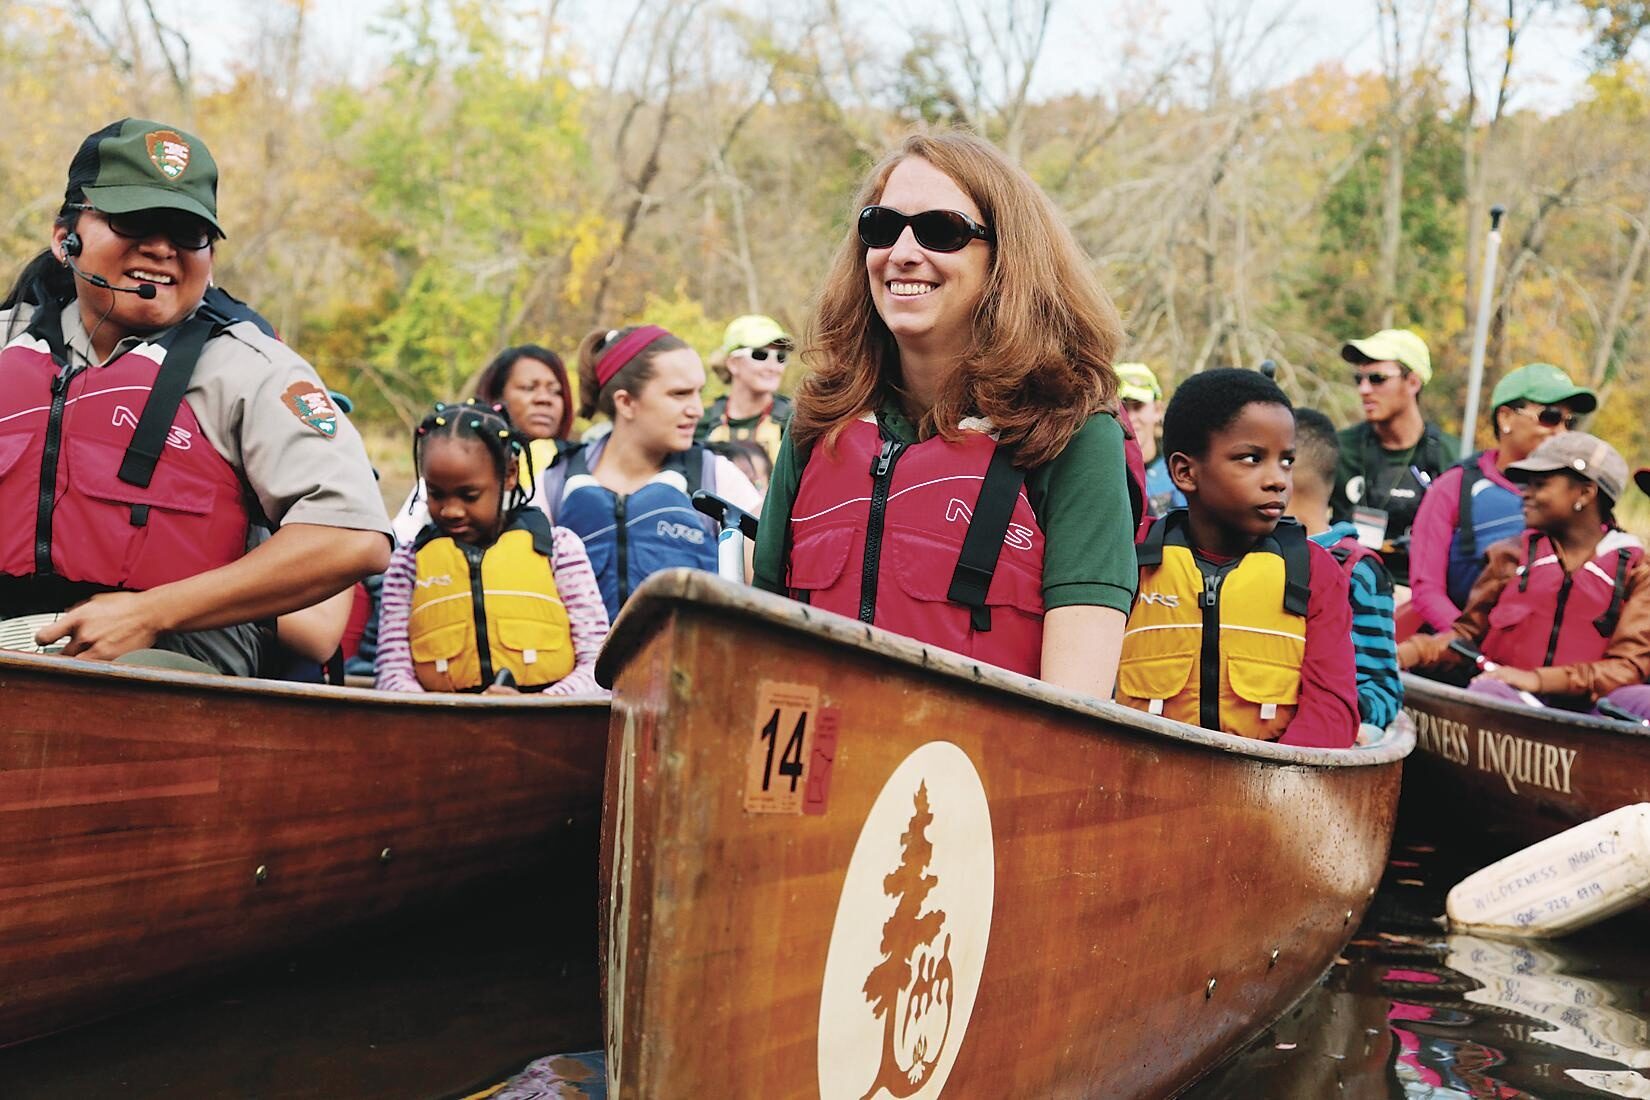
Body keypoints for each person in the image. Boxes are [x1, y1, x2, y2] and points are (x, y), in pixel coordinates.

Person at [751, 131, 1144, 696]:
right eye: (881, 228)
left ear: (1007, 259)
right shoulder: (818, 423)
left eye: (942, 231)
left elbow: (1075, 716)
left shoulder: (1074, 432)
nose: (903, 253)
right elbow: (759, 652)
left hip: (977, 780)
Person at [0, 117, 389, 674]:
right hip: (13, 643)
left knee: (130, 687)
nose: (160, 249)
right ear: (66, 237)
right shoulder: (8, 345)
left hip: (173, 653)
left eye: (188, 234)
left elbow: (352, 536)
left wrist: (152, 612)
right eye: (133, 220)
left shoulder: (254, 369)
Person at [1117, 370, 1359, 748]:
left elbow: (1332, 710)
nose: (1278, 480)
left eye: (1287, 461)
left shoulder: (1315, 573)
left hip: (1266, 794)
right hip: (1142, 787)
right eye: (1252, 458)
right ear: (1185, 472)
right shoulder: (1131, 556)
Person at [1398, 433, 1650, 710]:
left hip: (1590, 715)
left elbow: (1628, 668)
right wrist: (1408, 652)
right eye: (1526, 484)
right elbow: (1466, 636)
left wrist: (1539, 680)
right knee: (1489, 690)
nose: (1524, 493)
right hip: (1507, 700)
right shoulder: (1510, 555)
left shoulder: (1636, 571)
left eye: (1540, 485)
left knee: (1641, 701)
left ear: (1585, 493)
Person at [375, 401, 607, 695]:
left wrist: (537, 703)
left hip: (547, 724)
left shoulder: (560, 549)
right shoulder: (407, 562)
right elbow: (391, 672)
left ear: (510, 474)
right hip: (440, 728)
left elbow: (595, 668)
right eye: (436, 494)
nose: (451, 510)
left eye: (469, 495)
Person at [539, 324, 763, 620]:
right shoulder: (555, 482)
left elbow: (763, 596)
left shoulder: (718, 477)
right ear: (626, 402)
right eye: (679, 394)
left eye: (698, 393)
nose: (697, 409)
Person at [1406, 362, 1595, 633]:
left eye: (1570, 422)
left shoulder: (1580, 496)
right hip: (1460, 654)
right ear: (1505, 418)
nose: (1561, 432)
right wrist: (1472, 647)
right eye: (1550, 416)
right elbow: (1426, 589)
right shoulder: (1455, 486)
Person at [1288, 408, 1403, 731]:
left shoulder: (1357, 571)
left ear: (1284, 470)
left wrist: (1332, 708)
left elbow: (1383, 692)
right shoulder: (1245, 556)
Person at [393, 344, 575, 544]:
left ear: (511, 475)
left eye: (555, 391)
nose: (544, 399)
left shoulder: (577, 474)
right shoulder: (444, 474)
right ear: (496, 397)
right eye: (528, 388)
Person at [1332, 328, 1459, 585]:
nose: (1364, 389)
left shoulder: (1451, 456)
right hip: (1345, 588)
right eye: (1359, 379)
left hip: (1417, 596)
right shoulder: (1338, 448)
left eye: (1377, 378)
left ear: (1413, 382)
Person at [695, 314, 794, 464]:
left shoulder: (795, 421)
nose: (773, 367)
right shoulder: (701, 422)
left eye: (780, 357)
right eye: (760, 355)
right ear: (733, 363)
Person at [1118, 362, 1182, 517]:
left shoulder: (1179, 469)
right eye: (1123, 409)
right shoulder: (1106, 475)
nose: (1131, 418)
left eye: (1138, 406)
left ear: (1158, 410)